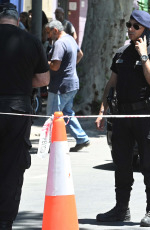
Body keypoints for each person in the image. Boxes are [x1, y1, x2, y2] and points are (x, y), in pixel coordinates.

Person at [95, 10, 150, 227]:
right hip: (121, 116)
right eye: (129, 24)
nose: (130, 28)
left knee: (149, 163)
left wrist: (144, 56)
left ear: (146, 29)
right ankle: (121, 209)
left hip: (145, 116)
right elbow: (111, 84)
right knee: (122, 164)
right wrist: (102, 111)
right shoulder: (121, 52)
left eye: (135, 26)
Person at [0, 3, 50, 229]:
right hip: (18, 108)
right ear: (17, 21)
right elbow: (43, 80)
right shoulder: (31, 41)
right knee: (12, 166)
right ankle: (5, 219)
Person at [45, 20, 90, 152]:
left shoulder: (59, 43)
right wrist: (71, 67)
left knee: (52, 116)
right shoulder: (70, 38)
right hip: (71, 83)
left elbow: (55, 66)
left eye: (48, 33)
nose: (48, 36)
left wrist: (43, 62)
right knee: (67, 113)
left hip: (60, 86)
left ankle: (50, 144)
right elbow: (80, 54)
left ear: (55, 30)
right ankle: (82, 138)